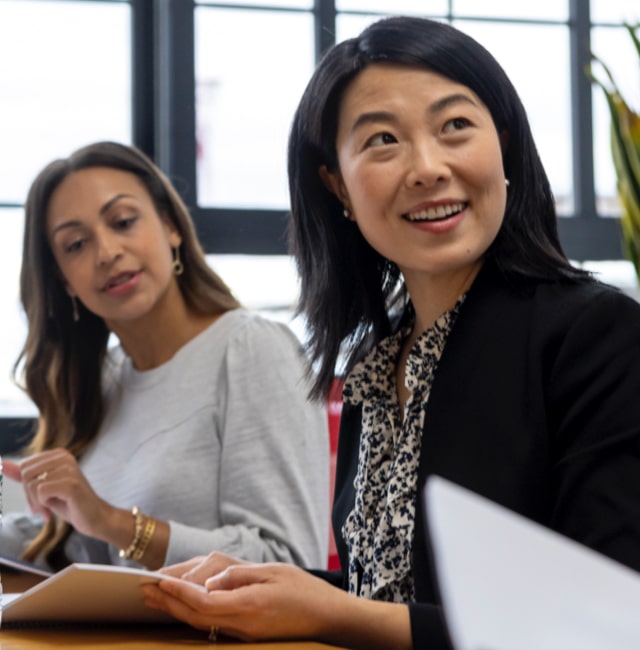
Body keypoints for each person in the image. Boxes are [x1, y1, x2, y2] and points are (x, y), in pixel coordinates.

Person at [140, 16, 640, 650]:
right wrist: (263, 585)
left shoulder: (595, 334)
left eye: (455, 125)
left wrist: (329, 612)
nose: (428, 167)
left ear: (504, 147)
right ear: (337, 186)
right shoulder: (378, 363)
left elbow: (611, 619)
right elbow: (390, 596)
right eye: (382, 139)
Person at [0, 141, 329, 573]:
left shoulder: (253, 350)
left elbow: (285, 562)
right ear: (63, 281)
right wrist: (90, 521)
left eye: (123, 221)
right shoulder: (103, 379)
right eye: (76, 244)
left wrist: (114, 523)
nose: (106, 253)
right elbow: (79, 551)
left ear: (171, 226)